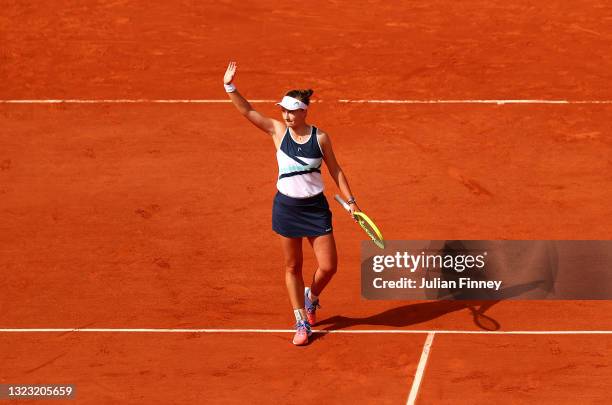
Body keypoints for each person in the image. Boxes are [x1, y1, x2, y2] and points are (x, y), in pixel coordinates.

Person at [223, 61, 360, 345]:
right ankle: (301, 322)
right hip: (287, 208)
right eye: (283, 110)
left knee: (329, 266)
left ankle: (311, 298)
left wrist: (351, 201)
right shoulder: (276, 132)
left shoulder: (320, 137)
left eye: (290, 111)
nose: (285, 115)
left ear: (302, 112)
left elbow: (335, 169)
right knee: (292, 266)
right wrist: (230, 86)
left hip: (316, 208)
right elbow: (248, 111)